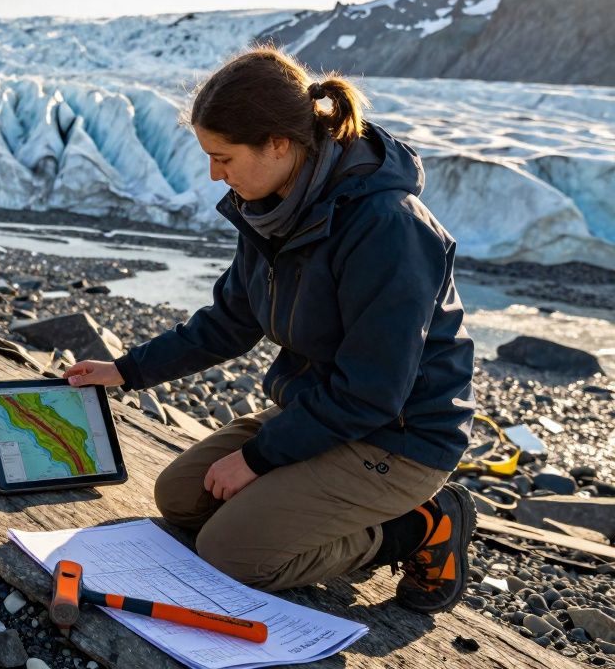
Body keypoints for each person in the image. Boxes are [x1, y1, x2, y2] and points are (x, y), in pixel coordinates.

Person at [63, 46, 476, 613]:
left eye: (224, 158)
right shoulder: (273, 207)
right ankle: (311, 503)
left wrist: (257, 459)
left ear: (278, 144)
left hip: (399, 437)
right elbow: (230, 322)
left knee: (232, 555)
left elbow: (372, 391)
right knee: (180, 498)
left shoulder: (388, 228)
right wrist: (126, 371)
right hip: (321, 411)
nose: (215, 174)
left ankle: (419, 525)